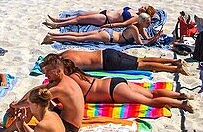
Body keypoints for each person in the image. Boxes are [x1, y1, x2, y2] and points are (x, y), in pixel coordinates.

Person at [0, 55, 84, 132]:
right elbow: (38, 89)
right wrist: (19, 103)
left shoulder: (60, 88)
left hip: (69, 128)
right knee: (31, 102)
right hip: (63, 117)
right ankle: (13, 126)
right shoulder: (62, 79)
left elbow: (32, 101)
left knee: (32, 105)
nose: (45, 75)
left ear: (58, 71)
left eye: (48, 71)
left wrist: (15, 106)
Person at [62, 61, 193, 112]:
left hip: (113, 91)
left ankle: (181, 104)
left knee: (149, 101)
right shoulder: (79, 73)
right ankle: (181, 95)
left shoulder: (70, 81)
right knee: (151, 92)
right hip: (115, 82)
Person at [42, 12, 161, 47]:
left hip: (109, 33)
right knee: (80, 38)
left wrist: (155, 37)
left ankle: (53, 35)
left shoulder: (139, 28)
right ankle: (52, 37)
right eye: (148, 22)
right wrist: (154, 39)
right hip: (109, 37)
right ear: (142, 22)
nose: (149, 24)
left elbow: (147, 39)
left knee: (79, 36)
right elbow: (142, 43)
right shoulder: (135, 29)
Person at [59, 48, 189, 75]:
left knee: (142, 66)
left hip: (108, 62)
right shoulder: (67, 52)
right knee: (141, 59)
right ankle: (174, 61)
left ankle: (175, 69)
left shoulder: (67, 61)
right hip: (107, 52)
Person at [44, 5, 154, 29]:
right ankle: (59, 19)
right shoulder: (134, 10)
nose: (142, 6)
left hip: (105, 19)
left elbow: (124, 24)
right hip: (104, 12)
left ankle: (57, 25)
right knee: (80, 15)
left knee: (79, 20)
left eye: (145, 7)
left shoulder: (136, 17)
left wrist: (108, 25)